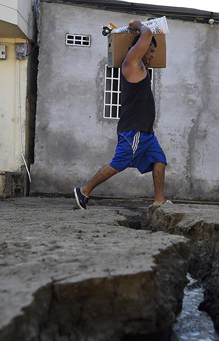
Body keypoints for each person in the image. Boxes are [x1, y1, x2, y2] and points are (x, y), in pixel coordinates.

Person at [74, 20, 168, 210]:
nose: (152, 55)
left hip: (146, 132)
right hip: (134, 130)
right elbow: (147, 33)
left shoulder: (142, 68)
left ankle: (159, 200)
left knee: (160, 160)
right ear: (139, 48)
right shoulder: (131, 63)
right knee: (118, 163)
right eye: (150, 51)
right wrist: (139, 26)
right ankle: (84, 191)